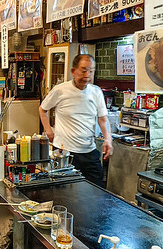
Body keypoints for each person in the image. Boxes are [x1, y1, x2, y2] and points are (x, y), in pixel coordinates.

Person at [39, 54, 112, 186]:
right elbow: (42, 109)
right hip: (64, 152)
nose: (87, 75)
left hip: (89, 151)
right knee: (64, 191)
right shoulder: (60, 90)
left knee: (97, 188)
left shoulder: (96, 92)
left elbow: (103, 118)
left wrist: (108, 139)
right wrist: (48, 131)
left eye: (91, 71)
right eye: (83, 71)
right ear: (73, 71)